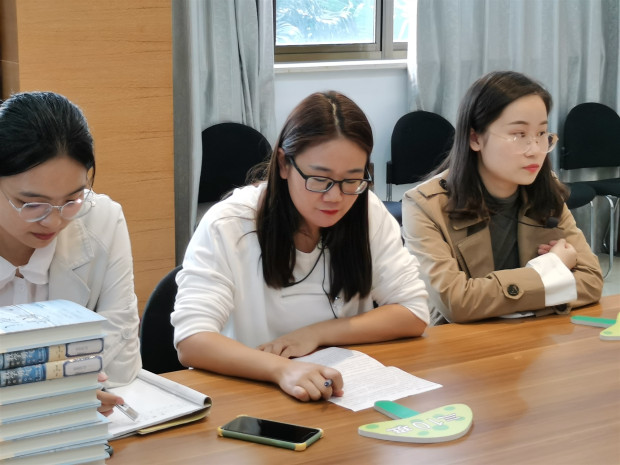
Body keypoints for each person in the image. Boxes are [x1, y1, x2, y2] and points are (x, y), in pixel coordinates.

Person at [172, 91, 429, 401]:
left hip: (342, 394)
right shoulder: (229, 224)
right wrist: (282, 369)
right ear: (284, 163)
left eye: (352, 180)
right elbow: (192, 340)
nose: (335, 197)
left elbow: (413, 312)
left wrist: (315, 334)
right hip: (252, 396)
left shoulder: (367, 211)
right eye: (320, 179)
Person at [402, 71, 603, 325]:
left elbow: (591, 281)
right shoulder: (425, 204)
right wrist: (550, 268)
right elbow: (457, 303)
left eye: (542, 134)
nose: (535, 150)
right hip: (459, 343)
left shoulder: (545, 188)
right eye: (519, 135)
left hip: (533, 337)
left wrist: (504, 302)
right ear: (475, 138)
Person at [0, 91, 142, 415]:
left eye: (72, 199)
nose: (53, 221)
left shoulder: (102, 220)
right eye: (31, 203)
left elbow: (121, 365)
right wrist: (57, 391)